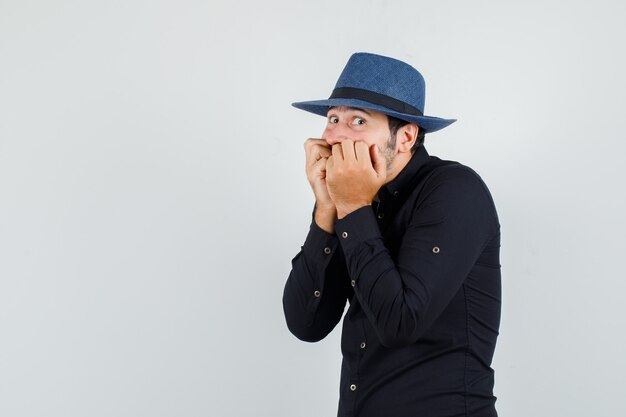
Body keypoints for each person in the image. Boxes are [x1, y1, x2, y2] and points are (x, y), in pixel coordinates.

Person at [282, 52, 501, 417]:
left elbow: (400, 323)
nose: (334, 134)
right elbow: (306, 325)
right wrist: (326, 211)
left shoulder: (455, 191)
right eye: (333, 118)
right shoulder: (359, 203)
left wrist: (352, 207)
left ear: (405, 138)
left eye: (357, 121)